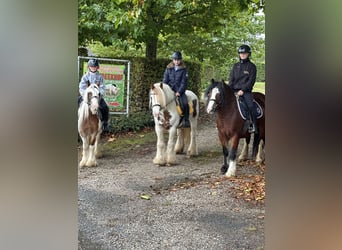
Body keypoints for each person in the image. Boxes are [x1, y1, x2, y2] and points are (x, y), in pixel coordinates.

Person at [228, 44, 258, 133]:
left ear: (248, 54)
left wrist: (243, 90)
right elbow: (231, 79)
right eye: (241, 53)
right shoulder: (235, 66)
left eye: (244, 53)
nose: (242, 55)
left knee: (251, 106)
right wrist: (230, 89)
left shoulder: (252, 67)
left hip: (246, 92)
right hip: (234, 90)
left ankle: (253, 125)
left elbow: (251, 81)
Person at [78, 58, 110, 133]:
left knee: (105, 107)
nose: (93, 68)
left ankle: (105, 124)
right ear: (89, 67)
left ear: (97, 67)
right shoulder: (85, 76)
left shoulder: (100, 77)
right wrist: (84, 95)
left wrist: (99, 94)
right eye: (91, 66)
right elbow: (81, 87)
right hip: (87, 97)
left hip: (96, 97)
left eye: (95, 66)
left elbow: (102, 87)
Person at [162, 51, 190, 128]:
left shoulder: (184, 69)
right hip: (170, 90)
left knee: (184, 103)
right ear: (173, 60)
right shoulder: (168, 68)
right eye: (175, 60)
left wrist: (179, 92)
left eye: (178, 60)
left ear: (180, 60)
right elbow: (165, 80)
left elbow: (184, 82)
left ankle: (186, 120)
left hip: (179, 91)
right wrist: (163, 88)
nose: (176, 61)